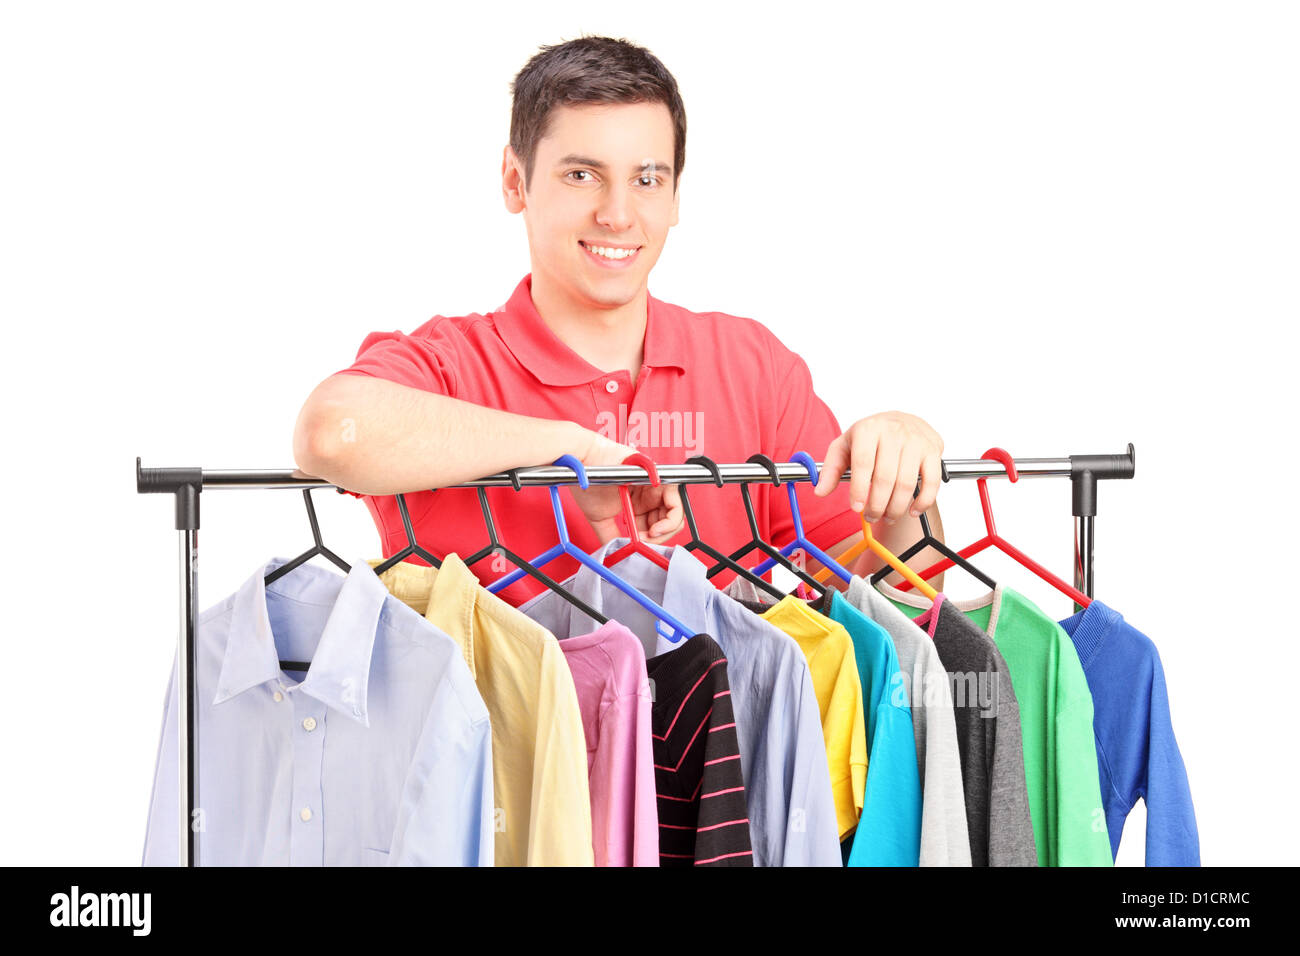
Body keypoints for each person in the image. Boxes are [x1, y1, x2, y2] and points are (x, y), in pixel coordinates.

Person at [292, 35, 948, 606]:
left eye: (647, 178)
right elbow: (330, 434)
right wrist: (573, 449)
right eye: (582, 175)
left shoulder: (753, 366)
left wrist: (907, 481)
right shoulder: (449, 365)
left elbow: (885, 608)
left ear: (675, 195)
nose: (617, 214)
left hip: (726, 751)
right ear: (515, 182)